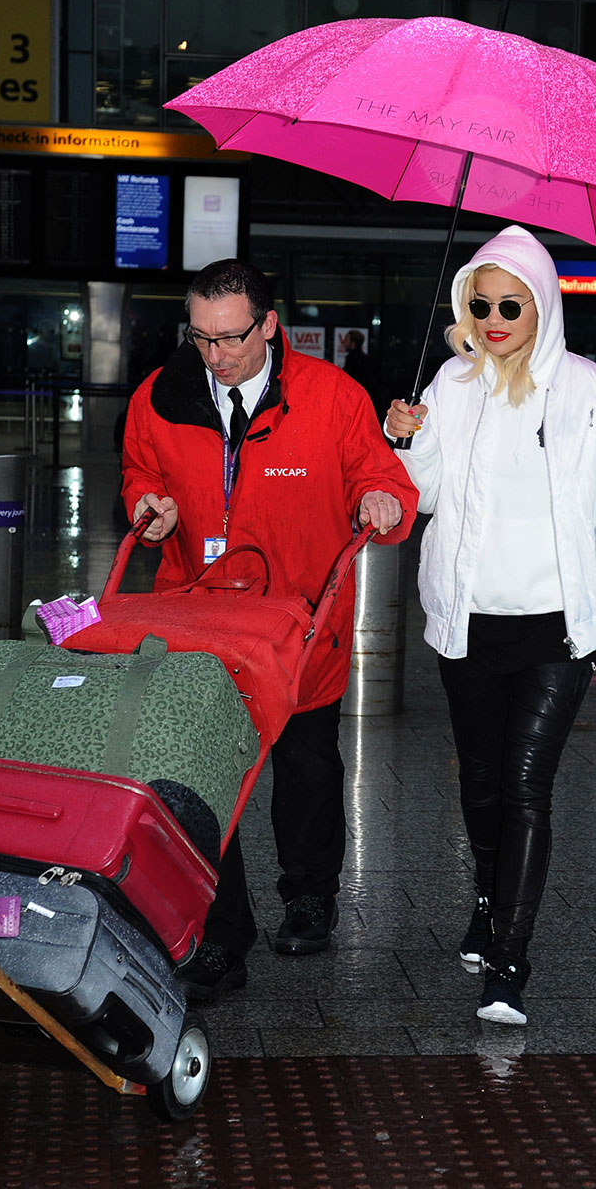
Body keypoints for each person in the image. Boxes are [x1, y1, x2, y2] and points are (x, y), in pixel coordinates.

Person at [121, 258, 419, 1002]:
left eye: (231, 338)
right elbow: (138, 475)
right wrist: (149, 507)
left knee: (308, 767)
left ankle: (311, 896)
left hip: (301, 626)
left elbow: (380, 477)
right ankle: (222, 935)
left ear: (270, 326)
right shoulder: (160, 399)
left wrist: (381, 501)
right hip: (200, 621)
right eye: (201, 338)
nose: (215, 356)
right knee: (198, 777)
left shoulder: (331, 398)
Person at [385, 225, 596, 1027]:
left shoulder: (588, 393)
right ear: (465, 302)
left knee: (526, 787)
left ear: (543, 308)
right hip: (468, 621)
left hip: (557, 631)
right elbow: (421, 496)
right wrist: (405, 441)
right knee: (480, 784)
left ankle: (508, 960)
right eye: (482, 301)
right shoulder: (451, 383)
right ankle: (485, 894)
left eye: (513, 303)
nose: (496, 315)